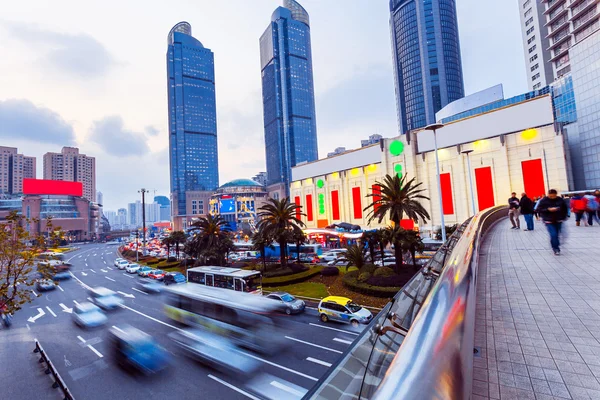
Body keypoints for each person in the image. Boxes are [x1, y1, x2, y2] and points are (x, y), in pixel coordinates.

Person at [537, 189, 569, 255]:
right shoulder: (544, 200)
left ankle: (556, 244)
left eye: (553, 196)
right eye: (550, 196)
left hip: (559, 219)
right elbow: (539, 209)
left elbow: (565, 208)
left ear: (556, 195)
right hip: (548, 220)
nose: (552, 197)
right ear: (548, 194)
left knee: (557, 234)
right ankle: (555, 248)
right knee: (553, 234)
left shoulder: (560, 200)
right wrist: (548, 209)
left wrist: (564, 216)